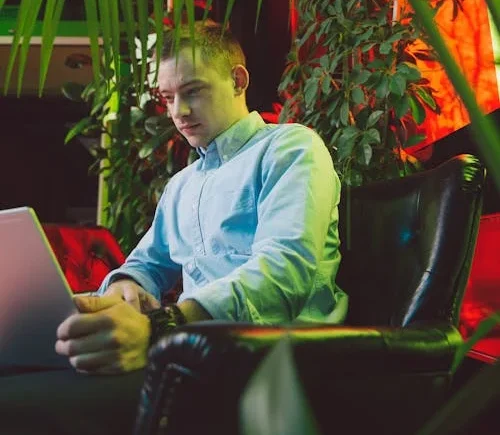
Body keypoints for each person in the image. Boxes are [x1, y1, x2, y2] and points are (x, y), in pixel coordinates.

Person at [0, 21, 346, 434]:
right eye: (167, 97)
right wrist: (122, 287)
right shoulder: (183, 184)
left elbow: (286, 270)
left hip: (272, 359)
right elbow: (147, 262)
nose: (178, 111)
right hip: (191, 354)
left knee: (20, 404)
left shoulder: (289, 148)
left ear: (238, 81)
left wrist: (160, 328)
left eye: (193, 91)